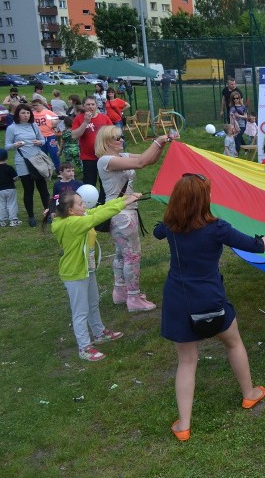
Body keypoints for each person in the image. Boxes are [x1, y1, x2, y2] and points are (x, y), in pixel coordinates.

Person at [154, 173, 265, 441]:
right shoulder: (217, 228)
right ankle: (249, 394)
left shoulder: (170, 226)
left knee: (186, 361)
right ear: (204, 200)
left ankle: (183, 424)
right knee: (233, 343)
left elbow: (159, 230)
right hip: (210, 300)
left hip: (178, 301)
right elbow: (258, 245)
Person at [50, 190, 140, 361]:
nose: (84, 206)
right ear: (70, 210)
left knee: (93, 303)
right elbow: (98, 217)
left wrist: (124, 199)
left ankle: (99, 333)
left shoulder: (78, 217)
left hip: (86, 268)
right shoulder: (73, 223)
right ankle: (84, 347)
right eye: (80, 204)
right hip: (75, 273)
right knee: (80, 312)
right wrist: (123, 204)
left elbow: (100, 210)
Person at [96, 125, 173, 312]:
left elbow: (147, 160)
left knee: (122, 254)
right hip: (122, 214)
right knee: (132, 255)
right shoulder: (106, 160)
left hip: (123, 212)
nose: (122, 140)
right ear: (106, 142)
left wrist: (161, 146)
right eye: (117, 138)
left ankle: (120, 291)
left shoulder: (120, 157)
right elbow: (140, 163)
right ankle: (134, 297)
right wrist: (157, 141)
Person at [5, 104, 50, 227]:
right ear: (17, 114)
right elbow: (7, 146)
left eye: (28, 113)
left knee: (43, 189)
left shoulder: (33, 125)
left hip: (37, 160)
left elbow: (43, 140)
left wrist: (38, 142)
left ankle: (48, 213)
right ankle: (31, 216)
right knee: (28, 190)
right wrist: (15, 145)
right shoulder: (12, 128)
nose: (26, 115)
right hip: (22, 161)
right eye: (23, 113)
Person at [71, 97, 113, 195]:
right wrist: (85, 122)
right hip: (88, 158)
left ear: (96, 106)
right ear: (83, 106)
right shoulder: (79, 118)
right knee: (89, 184)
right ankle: (90, 203)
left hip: (104, 156)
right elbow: (74, 136)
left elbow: (113, 134)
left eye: (93, 104)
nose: (91, 107)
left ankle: (103, 202)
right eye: (88, 104)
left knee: (105, 182)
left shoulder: (104, 118)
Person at [30, 98, 61, 171]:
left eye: (36, 105)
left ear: (41, 105)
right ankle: (46, 170)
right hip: (40, 137)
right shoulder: (32, 114)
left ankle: (59, 170)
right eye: (33, 105)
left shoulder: (47, 112)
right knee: (42, 154)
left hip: (51, 136)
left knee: (54, 153)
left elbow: (57, 118)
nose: (35, 107)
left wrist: (54, 123)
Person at [0, 148, 20, 227]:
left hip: (0, 190)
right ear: (6, 157)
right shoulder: (9, 168)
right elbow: (15, 178)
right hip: (10, 188)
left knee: (1, 204)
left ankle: (3, 221)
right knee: (12, 204)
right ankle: (13, 220)